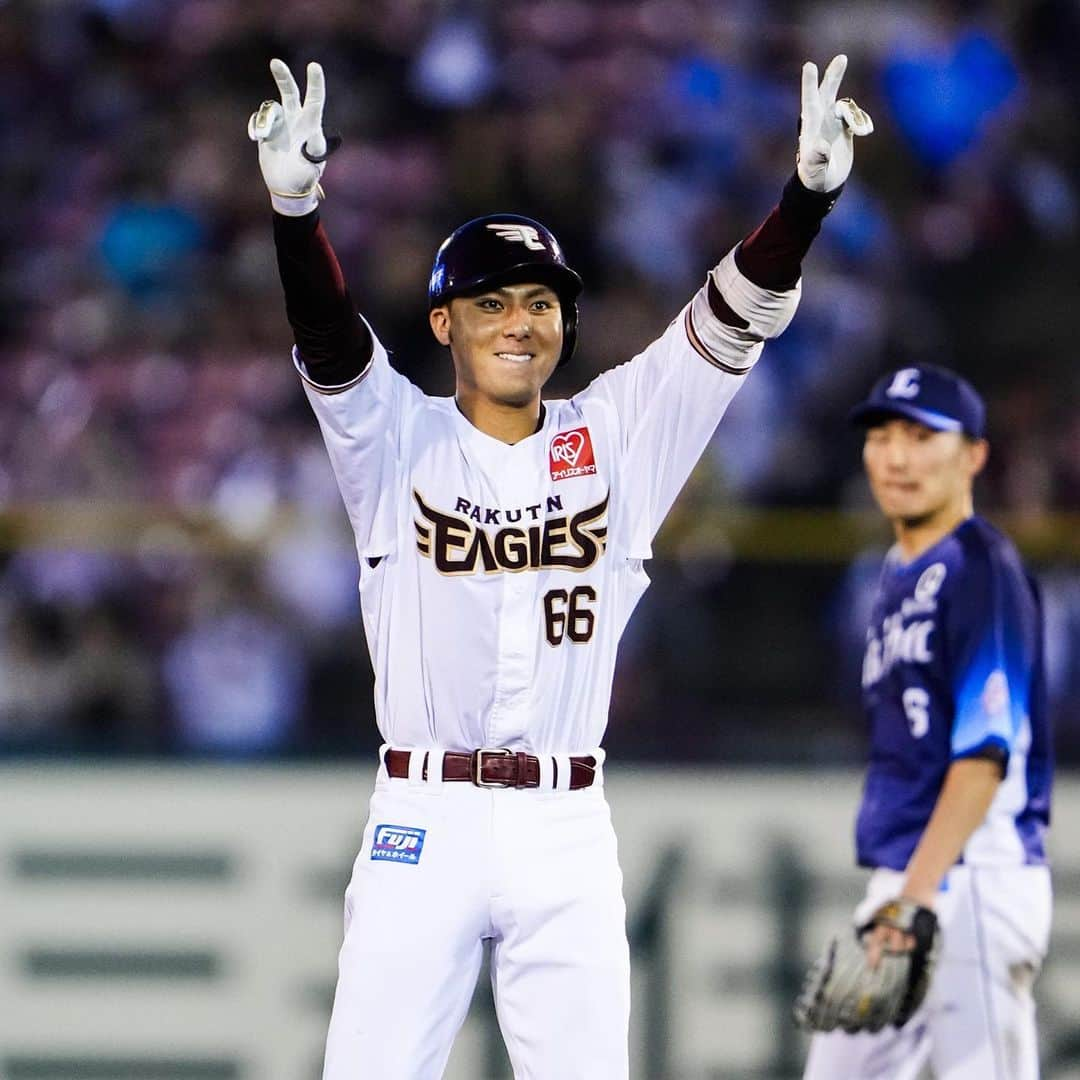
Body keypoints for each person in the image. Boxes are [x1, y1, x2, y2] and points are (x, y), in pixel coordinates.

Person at [249, 54, 872, 1079]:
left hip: (564, 819)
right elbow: (328, 341)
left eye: (539, 301)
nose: (520, 323)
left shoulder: (620, 438)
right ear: (445, 326)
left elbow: (729, 323)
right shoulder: (394, 438)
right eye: (491, 304)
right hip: (423, 813)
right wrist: (294, 210)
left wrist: (804, 201)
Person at [802, 365, 1053, 1079]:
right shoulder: (891, 572)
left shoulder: (982, 566)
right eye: (881, 436)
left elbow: (982, 756)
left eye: (921, 435)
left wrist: (916, 900)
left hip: (970, 878)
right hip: (908, 879)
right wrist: (903, 895)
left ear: (974, 454)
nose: (896, 456)